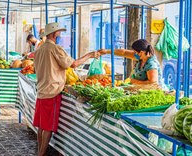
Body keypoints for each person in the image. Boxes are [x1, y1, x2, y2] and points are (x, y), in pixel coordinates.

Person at [33, 22, 100, 156]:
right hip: (52, 91)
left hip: (41, 89)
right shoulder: (55, 48)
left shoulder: (39, 49)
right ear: (53, 34)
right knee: (47, 127)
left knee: (41, 126)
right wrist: (89, 55)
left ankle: (40, 152)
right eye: (59, 32)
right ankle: (41, 154)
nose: (60, 34)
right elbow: (73, 64)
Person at [99, 39, 166, 89]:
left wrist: (134, 81)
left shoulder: (151, 64)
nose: (134, 53)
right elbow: (124, 53)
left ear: (141, 52)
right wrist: (106, 51)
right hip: (139, 90)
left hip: (153, 92)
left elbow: (153, 83)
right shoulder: (141, 57)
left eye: (135, 52)